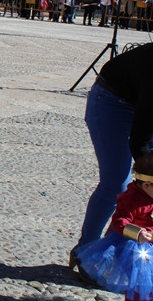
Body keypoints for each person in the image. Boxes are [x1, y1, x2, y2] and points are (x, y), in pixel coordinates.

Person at [70, 43, 153, 273]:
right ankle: (85, 254)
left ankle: (112, 256)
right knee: (118, 183)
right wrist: (147, 182)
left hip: (142, 102)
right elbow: (140, 140)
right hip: (111, 101)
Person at [75, 153, 153, 301]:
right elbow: (119, 220)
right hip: (135, 248)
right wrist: (138, 233)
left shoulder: (151, 194)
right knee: (141, 279)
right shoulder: (132, 200)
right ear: (147, 185)